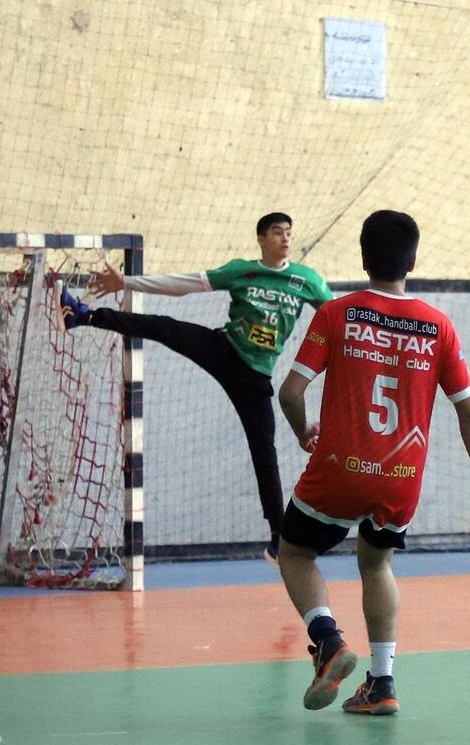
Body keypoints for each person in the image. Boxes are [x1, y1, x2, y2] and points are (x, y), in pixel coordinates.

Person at [275, 210, 470, 716]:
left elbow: (290, 393)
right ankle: (381, 683)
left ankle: (328, 640)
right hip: (401, 477)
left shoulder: (337, 314)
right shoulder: (438, 326)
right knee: (376, 564)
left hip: (339, 469)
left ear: (363, 257)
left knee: (295, 552)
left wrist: (303, 430)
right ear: (412, 261)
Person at [60, 214, 332, 562]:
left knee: (264, 452)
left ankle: (278, 537)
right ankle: (82, 315)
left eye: (289, 233)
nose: (285, 238)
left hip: (256, 376)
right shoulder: (242, 271)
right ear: (261, 238)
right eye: (277, 232)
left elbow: (337, 317)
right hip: (224, 350)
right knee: (165, 327)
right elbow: (185, 284)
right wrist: (126, 282)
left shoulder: (307, 280)